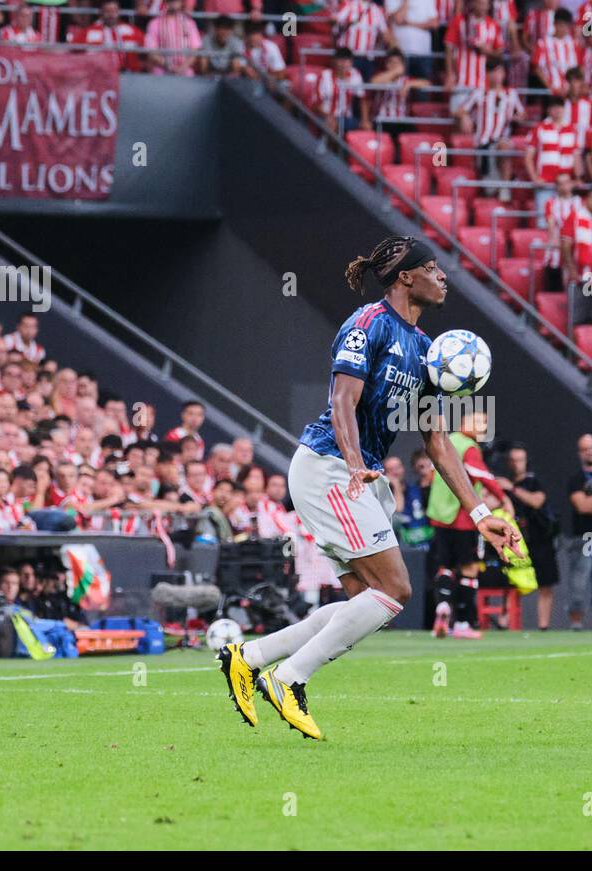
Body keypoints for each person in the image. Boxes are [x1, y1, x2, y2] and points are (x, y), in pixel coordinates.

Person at [216, 236, 518, 741]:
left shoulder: (425, 351)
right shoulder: (367, 325)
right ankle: (288, 679)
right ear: (406, 277)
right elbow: (341, 403)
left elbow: (437, 442)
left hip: (360, 475)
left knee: (365, 602)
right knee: (396, 589)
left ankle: (248, 658)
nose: (444, 277)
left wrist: (482, 514)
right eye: (433, 268)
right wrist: (355, 464)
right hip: (330, 466)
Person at [426, 411, 509, 639]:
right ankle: (462, 622)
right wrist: (504, 498)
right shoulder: (468, 447)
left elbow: (432, 475)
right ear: (464, 423)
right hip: (464, 518)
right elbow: (482, 475)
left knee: (445, 566)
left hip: (440, 517)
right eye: (479, 422)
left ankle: (442, 606)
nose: (483, 428)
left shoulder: (445, 441)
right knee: (469, 569)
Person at [498, 444, 558, 631]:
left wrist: (513, 489)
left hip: (539, 538)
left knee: (545, 583)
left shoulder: (533, 483)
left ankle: (543, 625)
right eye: (513, 460)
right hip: (514, 540)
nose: (516, 464)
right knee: (511, 580)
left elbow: (537, 501)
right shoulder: (501, 484)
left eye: (520, 460)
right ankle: (505, 620)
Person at [564, 433, 592, 629]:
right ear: (580, 453)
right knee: (581, 579)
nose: (590, 451)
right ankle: (576, 621)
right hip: (587, 535)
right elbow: (583, 506)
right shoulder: (576, 479)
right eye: (585, 448)